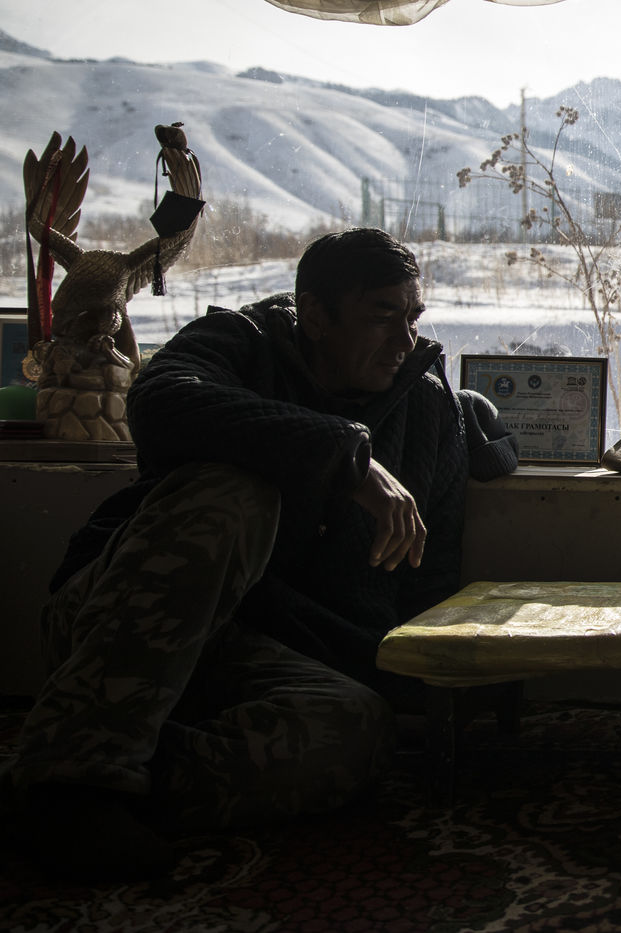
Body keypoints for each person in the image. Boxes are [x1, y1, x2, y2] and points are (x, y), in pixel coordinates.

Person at [2, 227, 519, 881]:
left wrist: (434, 698)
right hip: (119, 624)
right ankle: (72, 782)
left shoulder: (430, 410)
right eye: (382, 315)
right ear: (316, 314)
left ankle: (71, 775)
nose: (404, 340)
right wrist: (346, 457)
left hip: (262, 663)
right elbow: (159, 401)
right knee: (235, 494)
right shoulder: (239, 342)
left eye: (412, 317)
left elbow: (426, 576)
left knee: (355, 730)